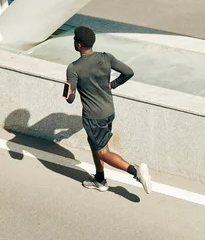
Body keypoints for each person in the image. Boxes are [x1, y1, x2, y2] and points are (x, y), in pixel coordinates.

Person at [64, 25, 152, 194]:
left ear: (79, 45)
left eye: (75, 40)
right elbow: (128, 72)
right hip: (109, 111)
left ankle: (136, 172)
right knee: (94, 143)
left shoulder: (73, 68)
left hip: (93, 117)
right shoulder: (106, 57)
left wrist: (67, 89)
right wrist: (112, 85)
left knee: (103, 152)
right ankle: (99, 179)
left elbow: (70, 99)